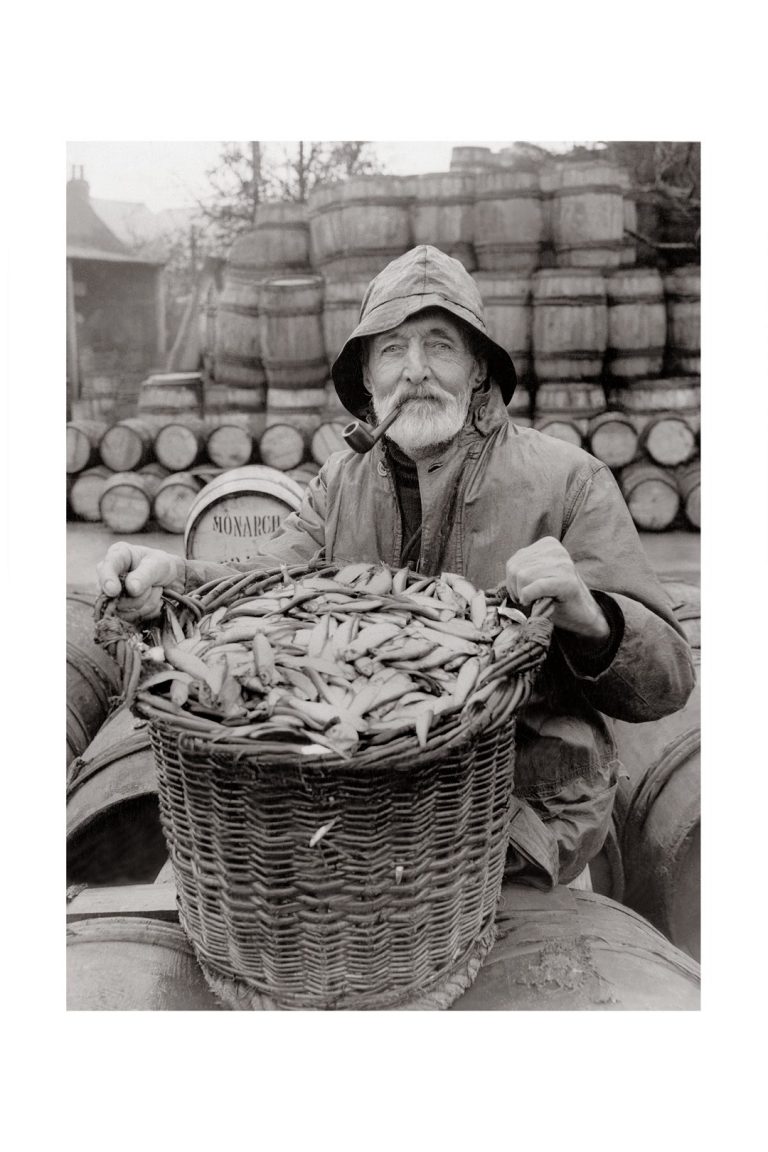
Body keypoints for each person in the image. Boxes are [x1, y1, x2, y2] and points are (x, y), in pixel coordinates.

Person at [97, 245, 695, 888]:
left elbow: (667, 679)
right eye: (391, 350)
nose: (414, 371)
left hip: (519, 818)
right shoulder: (341, 482)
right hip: (357, 807)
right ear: (369, 377)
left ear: (477, 372)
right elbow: (266, 583)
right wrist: (174, 582)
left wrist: (594, 617)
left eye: (439, 345)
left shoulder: (569, 482)